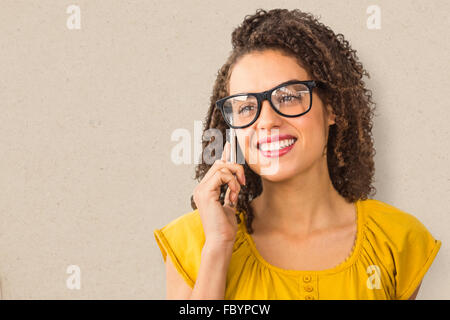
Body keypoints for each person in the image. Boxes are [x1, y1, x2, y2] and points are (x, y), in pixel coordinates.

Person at [154, 8, 441, 300]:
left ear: (332, 107)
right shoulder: (195, 241)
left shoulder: (397, 241)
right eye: (245, 107)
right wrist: (218, 246)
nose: (266, 121)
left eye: (288, 97)